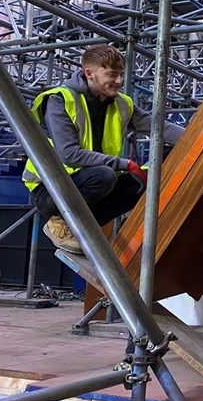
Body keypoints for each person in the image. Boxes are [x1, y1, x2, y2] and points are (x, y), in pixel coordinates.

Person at [22, 44, 185, 254]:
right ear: (89, 73)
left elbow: (158, 127)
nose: (118, 81)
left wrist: (197, 136)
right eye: (112, 75)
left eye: (120, 75)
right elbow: (69, 154)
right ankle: (60, 222)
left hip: (93, 185)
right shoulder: (59, 100)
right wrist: (123, 163)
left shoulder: (122, 103)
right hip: (51, 190)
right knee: (104, 175)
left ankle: (84, 226)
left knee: (140, 183)